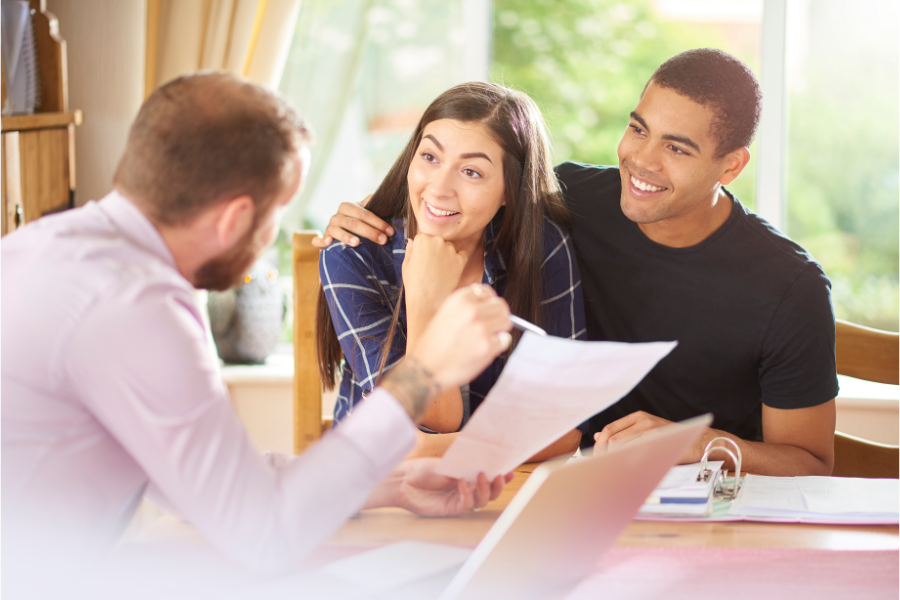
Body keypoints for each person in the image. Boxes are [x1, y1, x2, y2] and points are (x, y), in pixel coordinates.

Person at [1, 72, 515, 575]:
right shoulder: (137, 305)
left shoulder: (45, 247)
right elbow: (262, 533)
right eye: (276, 213)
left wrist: (393, 486)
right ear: (233, 218)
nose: (271, 235)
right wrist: (422, 372)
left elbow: (205, 487)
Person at [312, 49, 838, 477]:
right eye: (638, 129)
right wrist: (360, 229)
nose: (642, 161)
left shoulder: (789, 288)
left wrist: (697, 441)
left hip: (687, 495)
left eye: (676, 149)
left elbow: (811, 463)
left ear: (732, 165)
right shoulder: (566, 205)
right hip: (551, 478)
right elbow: (450, 191)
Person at [316, 82, 587, 459]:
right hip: (376, 490)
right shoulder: (355, 255)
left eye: (472, 172)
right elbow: (430, 419)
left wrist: (432, 449)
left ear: (510, 189)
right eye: (430, 157)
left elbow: (565, 429)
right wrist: (427, 299)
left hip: (499, 486)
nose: (439, 189)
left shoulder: (541, 248)